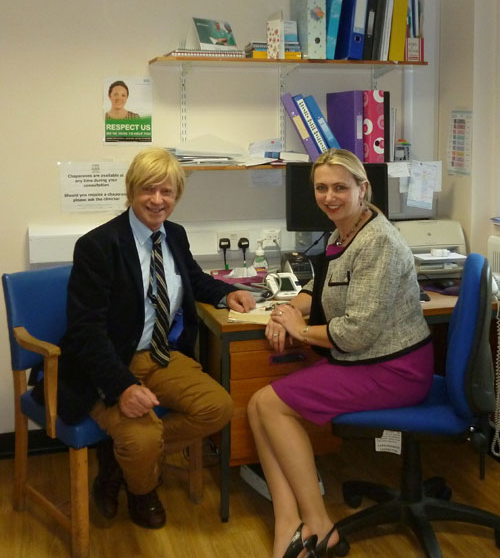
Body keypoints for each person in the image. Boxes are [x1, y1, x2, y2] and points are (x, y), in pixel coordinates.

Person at [42, 147, 255, 529]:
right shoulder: (98, 246)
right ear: (131, 191)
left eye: (167, 192)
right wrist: (122, 386)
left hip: (157, 355)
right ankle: (142, 490)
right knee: (140, 438)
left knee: (218, 407)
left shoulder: (174, 235)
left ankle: (119, 463)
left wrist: (227, 293)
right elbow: (86, 330)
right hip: (106, 362)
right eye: (148, 190)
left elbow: (191, 278)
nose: (157, 200)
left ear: (176, 197)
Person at [247, 149, 434, 558]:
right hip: (368, 359)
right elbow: (325, 288)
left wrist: (300, 329)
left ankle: (320, 525)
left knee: (273, 406)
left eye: (340, 187)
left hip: (393, 369)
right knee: (258, 404)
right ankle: (287, 521)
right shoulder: (344, 231)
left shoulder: (379, 242)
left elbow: (357, 332)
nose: (329, 196)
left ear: (362, 189)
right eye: (321, 187)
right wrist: (286, 310)